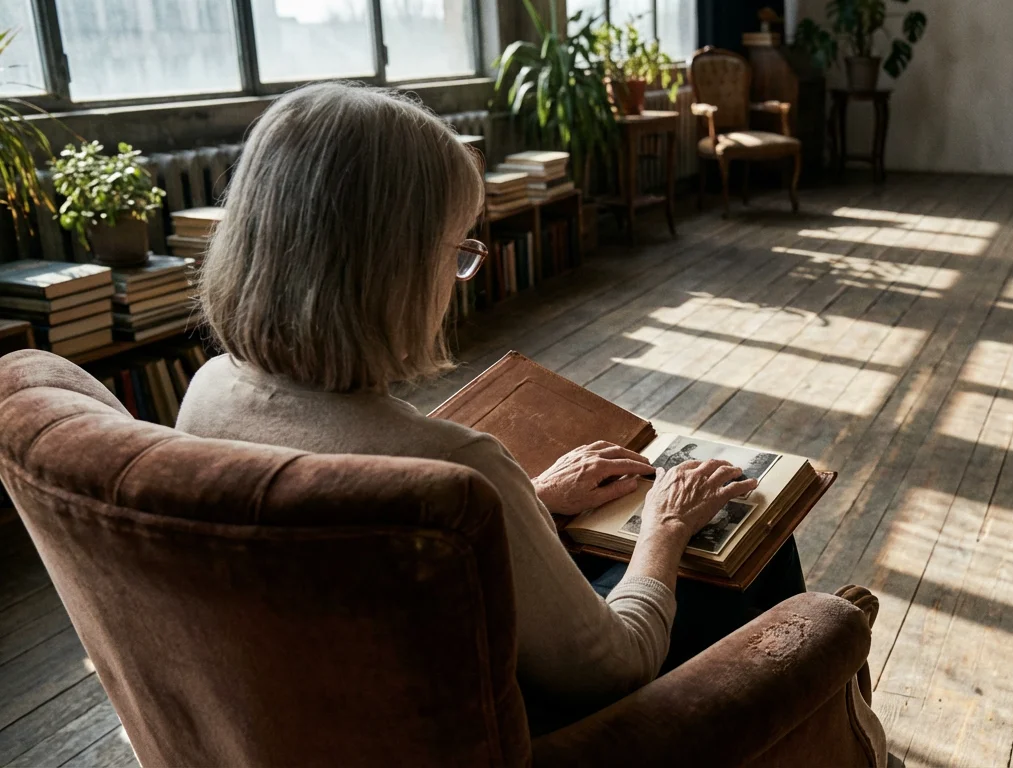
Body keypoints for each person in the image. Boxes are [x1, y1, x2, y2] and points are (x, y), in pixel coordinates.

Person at [176, 82, 803, 733]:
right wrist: (666, 526)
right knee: (752, 543)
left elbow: (374, 570)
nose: (455, 281)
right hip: (530, 735)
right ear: (392, 268)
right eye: (456, 251)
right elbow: (614, 666)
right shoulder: (451, 465)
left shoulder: (208, 394)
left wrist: (526, 500)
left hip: (322, 723)